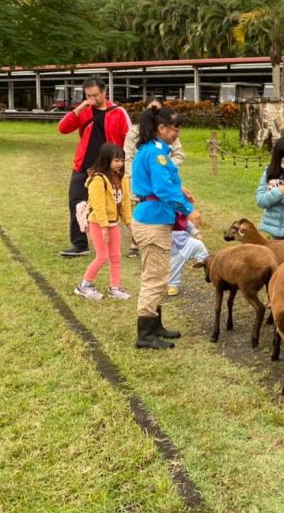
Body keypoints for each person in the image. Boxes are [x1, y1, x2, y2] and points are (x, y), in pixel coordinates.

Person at [130, 106, 200, 350]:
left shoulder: (152, 151)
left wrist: (180, 190)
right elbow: (161, 188)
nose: (177, 134)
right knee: (155, 277)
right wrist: (188, 209)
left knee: (159, 274)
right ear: (161, 128)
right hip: (152, 221)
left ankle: (155, 324)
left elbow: (162, 183)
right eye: (175, 129)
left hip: (154, 218)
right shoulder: (157, 153)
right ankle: (146, 334)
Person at [58, 77, 131, 257]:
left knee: (111, 206)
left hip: (108, 168)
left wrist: (123, 166)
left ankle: (116, 243)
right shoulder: (83, 111)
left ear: (104, 92)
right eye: (88, 95)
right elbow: (63, 128)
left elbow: (129, 139)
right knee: (77, 204)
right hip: (83, 166)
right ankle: (79, 244)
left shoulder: (119, 112)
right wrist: (78, 109)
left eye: (96, 95)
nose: (92, 99)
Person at [124, 98, 185, 258]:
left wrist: (165, 171)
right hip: (151, 205)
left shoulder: (159, 146)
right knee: (155, 274)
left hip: (157, 195)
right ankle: (135, 241)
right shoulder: (152, 149)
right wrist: (188, 210)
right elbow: (128, 157)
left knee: (157, 271)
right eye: (152, 110)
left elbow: (178, 154)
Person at [74, 143, 133, 301]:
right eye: (116, 160)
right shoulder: (98, 180)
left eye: (122, 160)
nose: (120, 164)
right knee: (102, 256)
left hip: (113, 224)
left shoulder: (123, 179)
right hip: (98, 223)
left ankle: (115, 287)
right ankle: (84, 286)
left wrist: (129, 223)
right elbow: (98, 205)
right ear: (107, 160)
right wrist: (104, 226)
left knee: (115, 256)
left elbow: (125, 203)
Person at [167, 218, 208, 297]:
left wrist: (196, 233)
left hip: (185, 240)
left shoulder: (180, 212)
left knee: (199, 245)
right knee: (174, 266)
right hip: (171, 245)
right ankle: (173, 284)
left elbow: (187, 223)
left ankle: (205, 262)